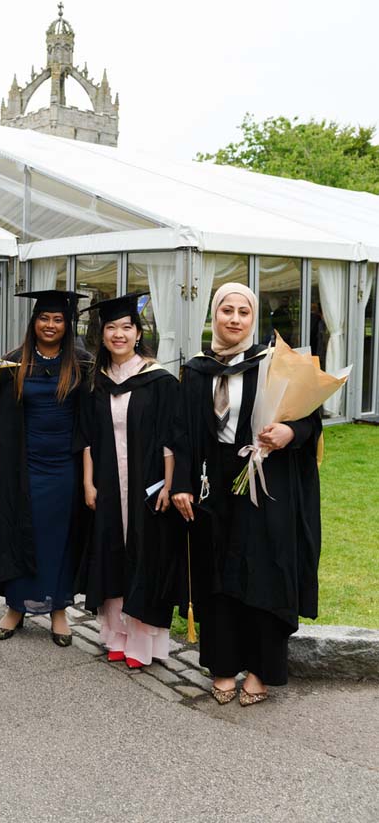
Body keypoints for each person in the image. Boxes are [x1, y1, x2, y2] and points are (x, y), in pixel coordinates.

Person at [171, 282, 322, 705]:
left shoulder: (273, 365)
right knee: (217, 573)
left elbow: (310, 418)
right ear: (214, 315)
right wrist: (181, 483)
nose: (234, 319)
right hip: (213, 483)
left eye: (243, 312)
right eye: (227, 310)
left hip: (264, 481)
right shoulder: (196, 370)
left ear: (253, 318)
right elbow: (181, 432)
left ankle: (260, 670)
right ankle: (222, 666)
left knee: (264, 572)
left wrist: (289, 432)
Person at [0, 290, 91, 646]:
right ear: (34, 322)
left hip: (65, 468)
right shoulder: (13, 364)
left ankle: (59, 610)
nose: (50, 325)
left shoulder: (82, 364)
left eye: (58, 319)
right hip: (23, 466)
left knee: (59, 538)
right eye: (44, 318)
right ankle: (16, 607)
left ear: (67, 325)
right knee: (20, 533)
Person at [79, 293, 179, 668]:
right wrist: (88, 483)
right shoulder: (96, 381)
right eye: (111, 328)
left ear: (138, 333)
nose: (118, 334)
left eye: (126, 327)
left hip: (146, 484)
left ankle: (141, 642)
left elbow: (171, 436)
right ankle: (115, 635)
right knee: (111, 554)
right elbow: (86, 438)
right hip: (107, 483)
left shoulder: (158, 380)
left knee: (144, 554)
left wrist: (169, 484)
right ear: (102, 335)